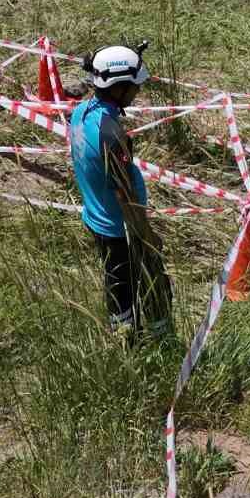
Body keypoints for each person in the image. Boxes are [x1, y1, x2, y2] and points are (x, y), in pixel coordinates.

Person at [70, 42, 172, 337]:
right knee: (153, 289)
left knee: (117, 285)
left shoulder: (81, 112)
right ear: (119, 88)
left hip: (96, 219)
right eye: (134, 86)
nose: (138, 91)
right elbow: (125, 197)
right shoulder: (111, 136)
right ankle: (155, 340)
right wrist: (148, 236)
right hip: (121, 232)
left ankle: (123, 333)